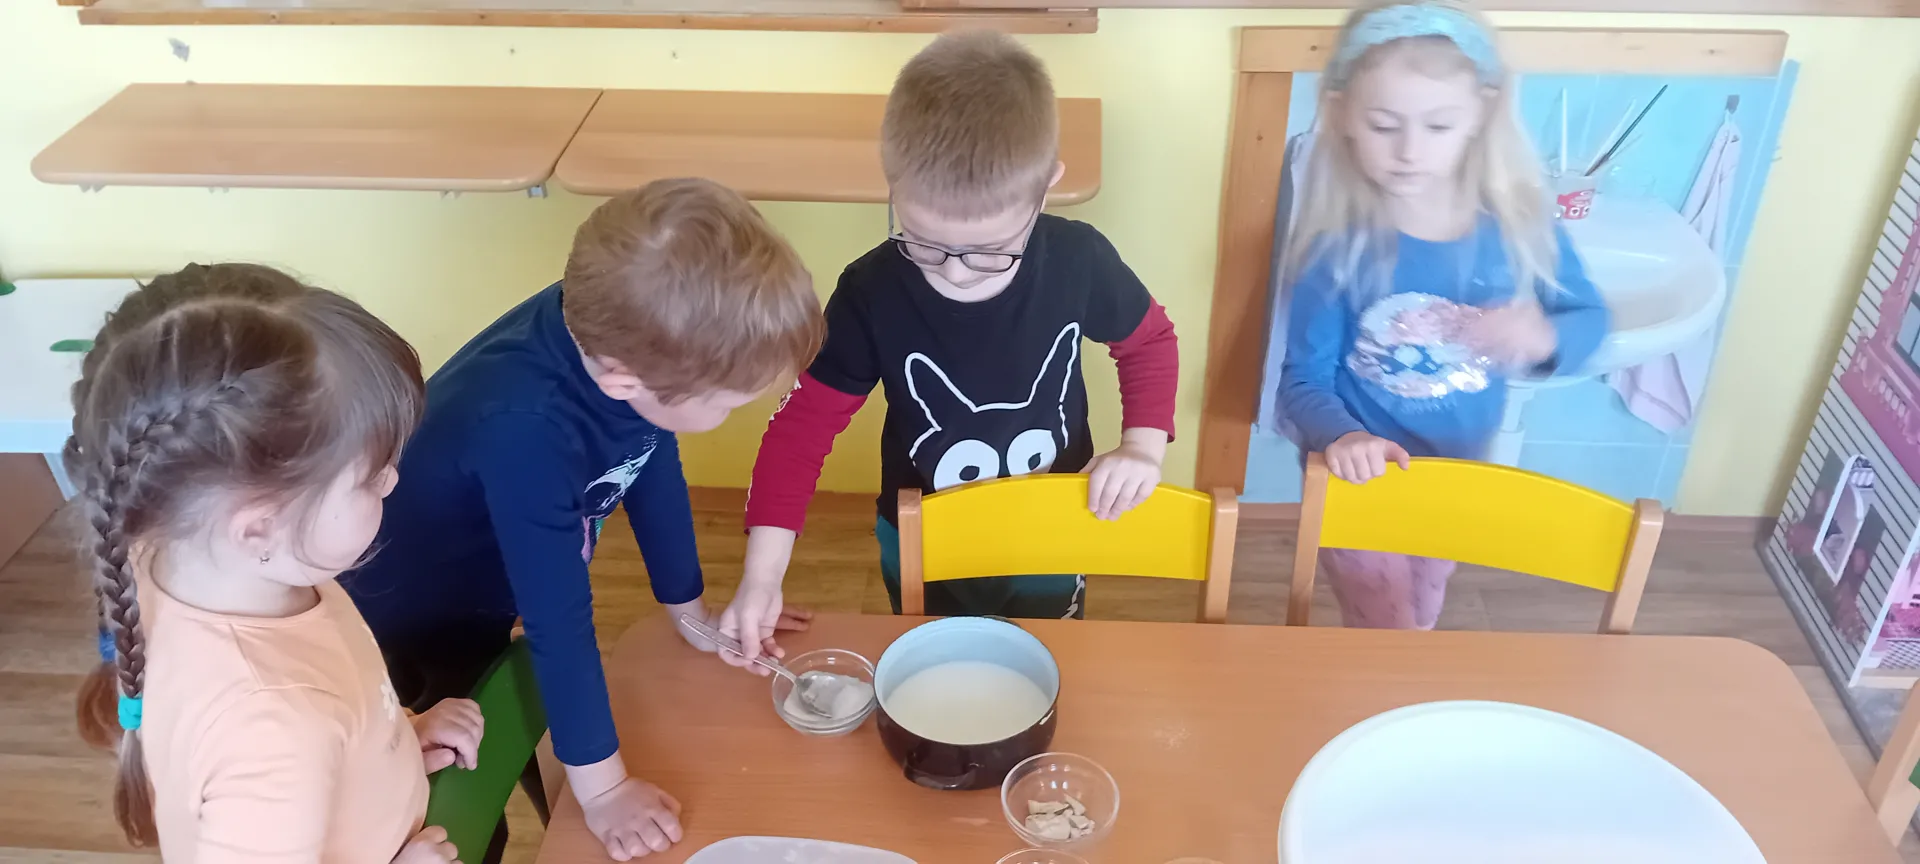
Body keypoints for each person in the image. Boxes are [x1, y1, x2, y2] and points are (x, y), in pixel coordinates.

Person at [342, 178, 825, 862]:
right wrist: (604, 792)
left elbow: (647, 455)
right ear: (627, 380)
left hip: (489, 582)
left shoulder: (617, 335)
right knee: (454, 797)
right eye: (726, 404)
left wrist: (690, 616)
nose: (730, 416)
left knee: (526, 732)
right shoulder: (526, 428)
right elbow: (558, 621)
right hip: (407, 615)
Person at [722, 29, 1180, 659]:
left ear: (1046, 186)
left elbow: (1149, 342)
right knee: (933, 663)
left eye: (991, 251)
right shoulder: (870, 290)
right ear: (892, 182)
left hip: (1053, 523)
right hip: (921, 537)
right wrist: (761, 577)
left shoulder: (1080, 261)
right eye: (923, 241)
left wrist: (1142, 448)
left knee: (1048, 659)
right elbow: (800, 429)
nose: (956, 272)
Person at [67, 263, 481, 862]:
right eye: (371, 476)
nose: (392, 482)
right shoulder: (272, 733)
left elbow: (335, 705)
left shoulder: (200, 560)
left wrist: (394, 738)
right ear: (259, 526)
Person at [1276, 0, 1609, 629]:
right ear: (1343, 115)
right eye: (1384, 125)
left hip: (1459, 474)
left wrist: (1545, 334)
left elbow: (1591, 319)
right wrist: (1343, 436)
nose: (1409, 151)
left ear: (1480, 114)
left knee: (1423, 608)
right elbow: (1303, 380)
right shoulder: (1337, 249)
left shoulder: (1519, 230)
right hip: (1360, 483)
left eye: (1437, 126)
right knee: (1388, 626)